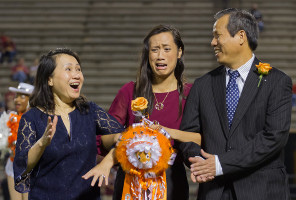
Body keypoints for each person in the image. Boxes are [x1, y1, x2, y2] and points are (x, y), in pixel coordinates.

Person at [179, 8, 292, 200]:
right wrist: (200, 162)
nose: (212, 42)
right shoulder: (202, 85)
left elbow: (274, 137)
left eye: (217, 36)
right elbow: (188, 135)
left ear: (241, 36)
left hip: (262, 191)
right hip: (214, 191)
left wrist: (220, 164)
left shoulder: (277, 81)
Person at [84, 25, 201, 200]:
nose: (160, 56)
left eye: (167, 49)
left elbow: (202, 137)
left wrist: (167, 133)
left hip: (171, 185)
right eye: (155, 50)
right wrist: (122, 137)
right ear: (148, 55)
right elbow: (104, 138)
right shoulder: (129, 91)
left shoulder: (192, 94)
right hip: (130, 185)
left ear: (179, 52)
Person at [13, 48, 124, 200]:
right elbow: (22, 166)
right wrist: (41, 144)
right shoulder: (31, 118)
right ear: (49, 79)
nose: (77, 75)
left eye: (78, 69)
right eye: (69, 69)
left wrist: (107, 162)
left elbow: (125, 138)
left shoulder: (90, 111)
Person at [5, 83, 34, 200]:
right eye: (16, 96)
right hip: (12, 166)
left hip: (30, 169)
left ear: (30, 100)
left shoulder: (36, 120)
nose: (17, 99)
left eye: (22, 96)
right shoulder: (8, 119)